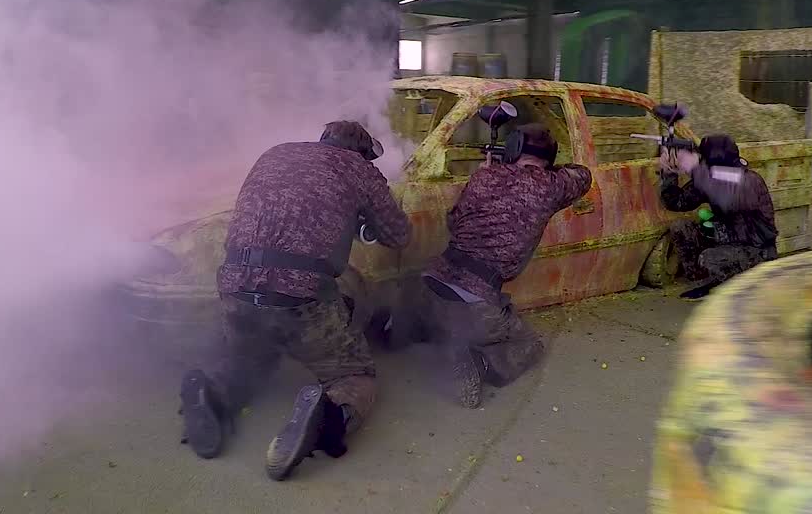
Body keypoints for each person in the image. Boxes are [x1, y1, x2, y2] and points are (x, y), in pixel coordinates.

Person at [178, 121, 410, 481]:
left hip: (235, 287)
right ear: (364, 154)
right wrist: (366, 213)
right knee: (355, 374)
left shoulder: (277, 152)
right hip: (300, 296)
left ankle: (213, 392)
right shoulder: (361, 171)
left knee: (252, 359)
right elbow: (398, 234)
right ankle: (328, 415)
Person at [413, 123, 591, 408]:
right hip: (477, 306)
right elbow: (584, 175)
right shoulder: (551, 185)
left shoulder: (483, 176)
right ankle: (478, 363)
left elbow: (453, 221)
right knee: (531, 347)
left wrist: (495, 170)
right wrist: (549, 170)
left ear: (512, 149)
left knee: (441, 313)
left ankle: (418, 327)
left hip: (429, 285)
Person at [660, 134, 778, 300]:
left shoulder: (749, 180)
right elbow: (677, 203)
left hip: (756, 250)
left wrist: (695, 169)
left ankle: (738, 284)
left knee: (710, 258)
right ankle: (703, 283)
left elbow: (725, 199)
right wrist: (669, 172)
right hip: (724, 242)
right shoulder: (710, 178)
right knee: (681, 227)